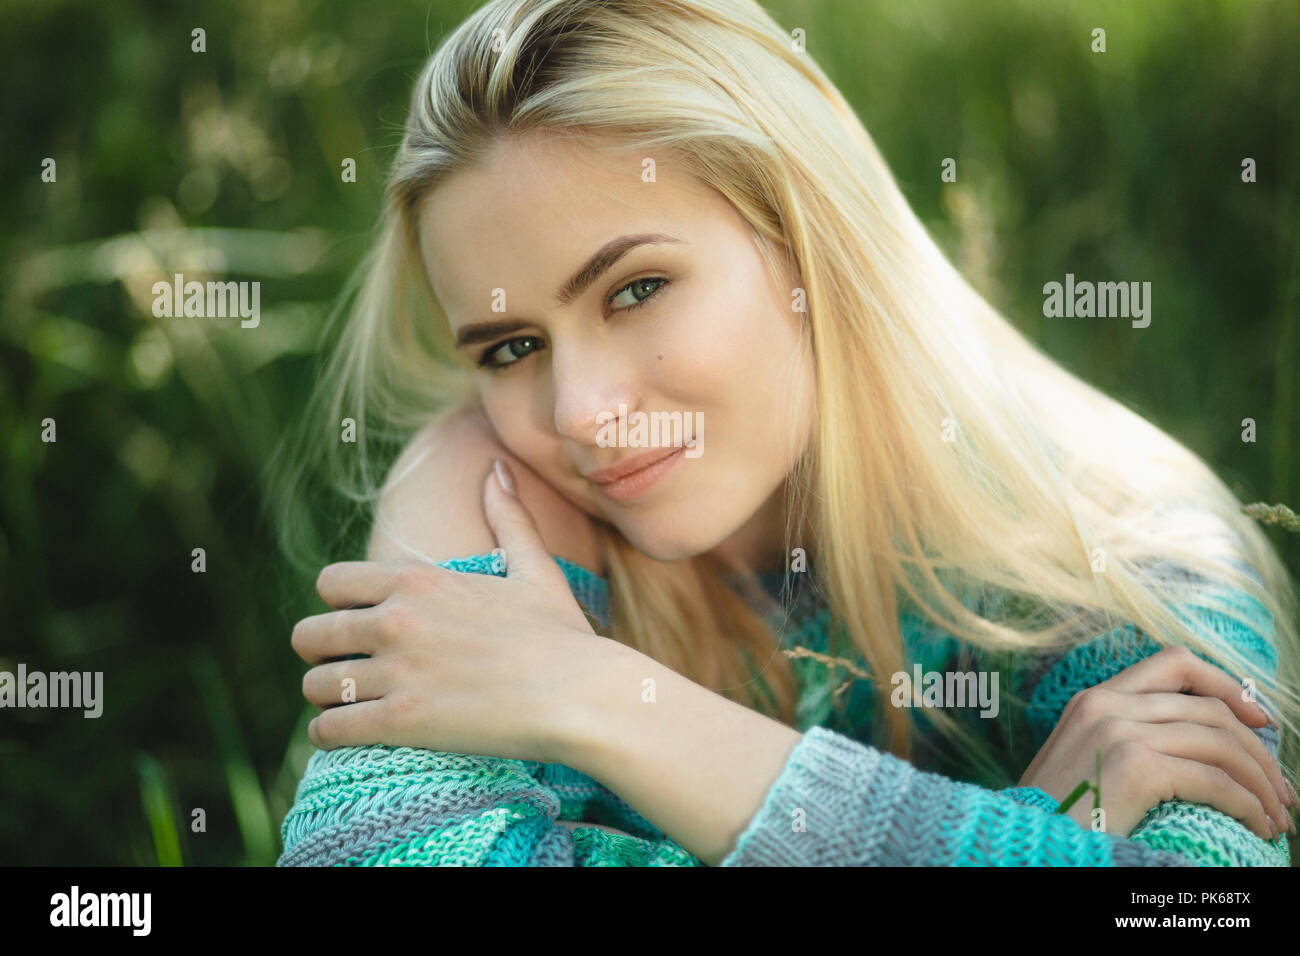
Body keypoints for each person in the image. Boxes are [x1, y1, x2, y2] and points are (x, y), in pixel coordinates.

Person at [270, 0, 1298, 866]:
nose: (578, 412)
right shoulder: (501, 496)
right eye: (507, 349)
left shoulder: (1116, 545)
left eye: (635, 289)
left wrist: (601, 698)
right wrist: (1026, 834)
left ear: (807, 240)